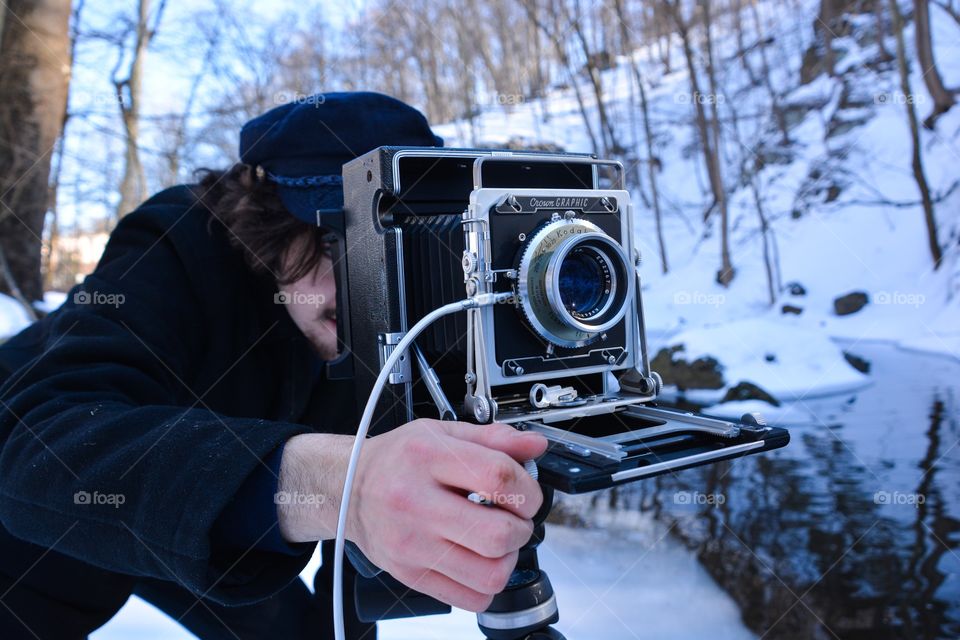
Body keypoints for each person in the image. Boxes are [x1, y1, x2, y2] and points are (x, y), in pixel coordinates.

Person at [0, 91, 547, 639]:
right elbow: (40, 446)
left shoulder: (407, 312)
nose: (364, 285)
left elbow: (362, 547)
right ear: (265, 218)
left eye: (399, 243)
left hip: (218, 523)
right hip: (47, 504)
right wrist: (344, 485)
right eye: (335, 241)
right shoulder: (175, 241)